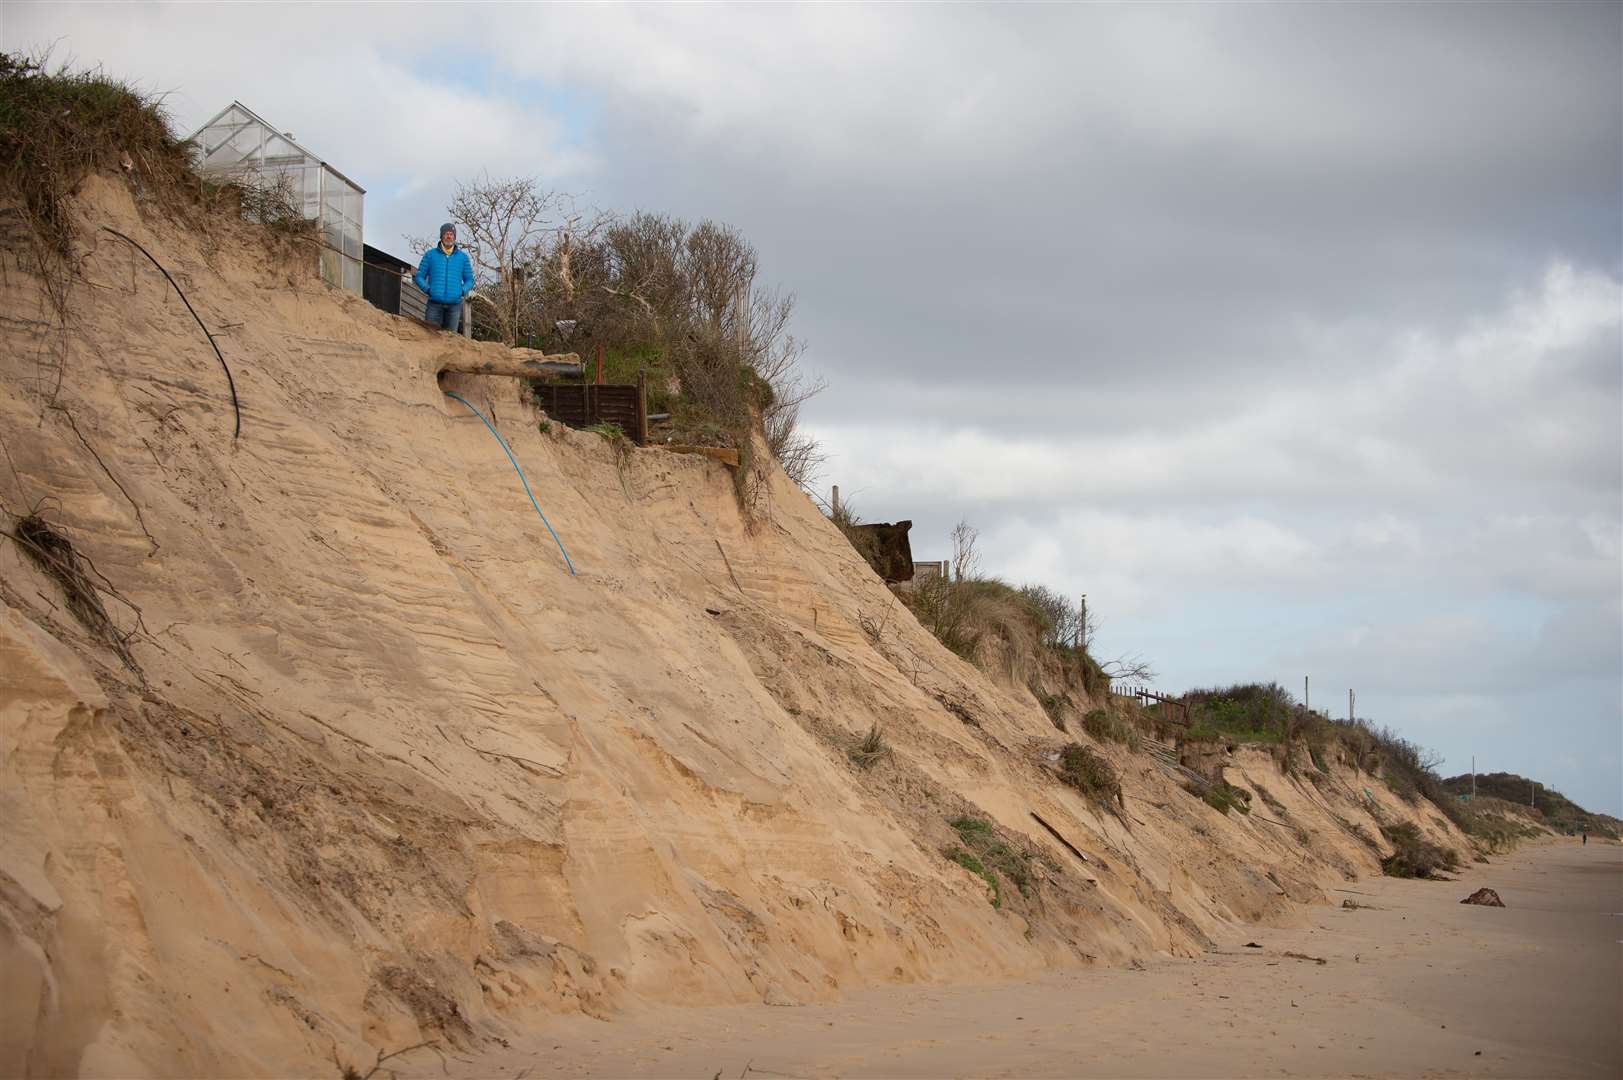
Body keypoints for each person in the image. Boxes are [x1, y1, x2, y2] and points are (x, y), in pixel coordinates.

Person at [415, 222, 474, 333]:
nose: (449, 236)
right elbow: (419, 276)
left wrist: (461, 291)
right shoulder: (430, 255)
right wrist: (428, 289)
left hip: (454, 307)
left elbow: (470, 280)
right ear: (441, 236)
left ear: (454, 237)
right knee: (429, 336)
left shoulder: (463, 258)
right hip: (434, 305)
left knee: (450, 341)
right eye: (446, 233)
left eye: (451, 234)